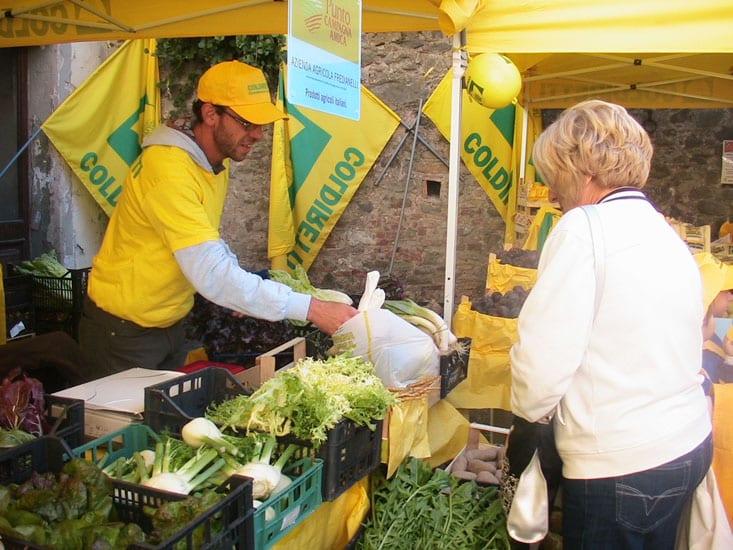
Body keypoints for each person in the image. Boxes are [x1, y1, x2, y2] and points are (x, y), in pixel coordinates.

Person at [509, 99, 712, 549]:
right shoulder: (661, 229)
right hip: (686, 441)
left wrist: (523, 422)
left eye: (551, 179)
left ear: (580, 171)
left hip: (623, 463)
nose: (551, 194)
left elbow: (542, 366)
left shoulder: (583, 227)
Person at [79, 61, 358, 375]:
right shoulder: (169, 170)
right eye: (248, 123)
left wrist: (238, 288)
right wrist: (313, 308)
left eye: (261, 124)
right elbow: (210, 271)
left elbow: (206, 241)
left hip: (171, 323)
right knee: (128, 423)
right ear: (211, 114)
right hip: (125, 332)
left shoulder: (211, 162)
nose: (259, 135)